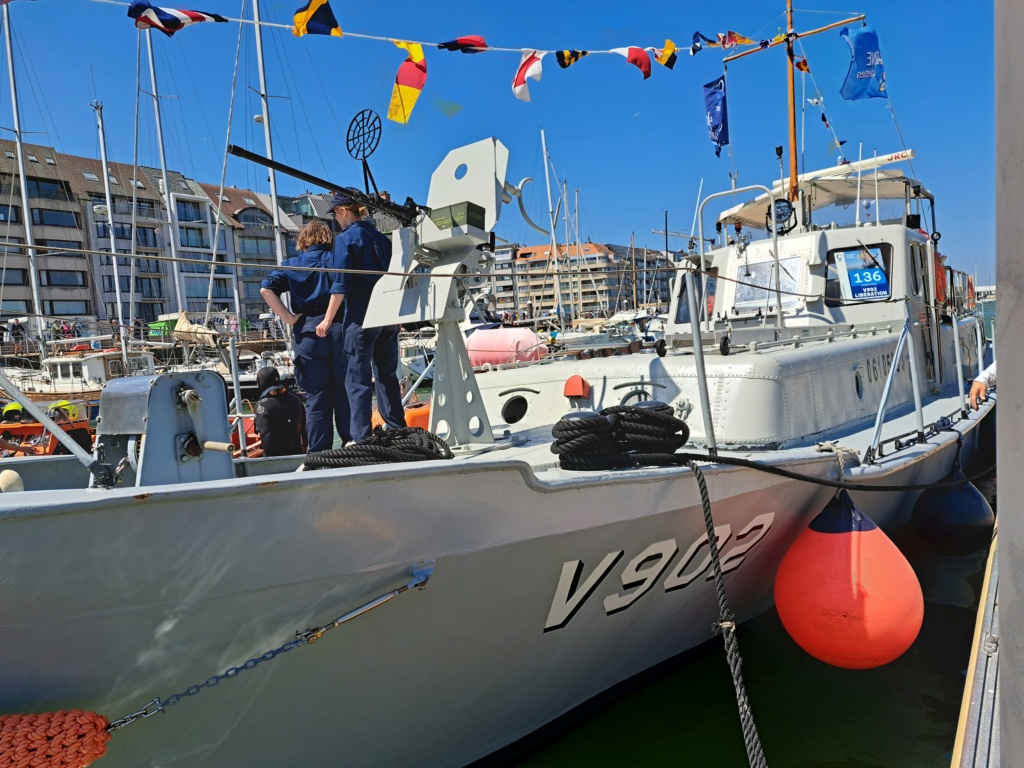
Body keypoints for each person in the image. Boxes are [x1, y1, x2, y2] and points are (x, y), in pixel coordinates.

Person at [319, 189, 406, 442]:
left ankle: (362, 438)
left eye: (336, 214)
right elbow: (395, 281)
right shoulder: (383, 239)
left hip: (360, 316)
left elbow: (340, 285)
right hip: (387, 315)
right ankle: (396, 428)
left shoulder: (346, 240)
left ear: (343, 211)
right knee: (387, 375)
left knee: (357, 379)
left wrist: (326, 319)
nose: (336, 220)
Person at [261, 218, 350, 452]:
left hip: (308, 332)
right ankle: (352, 445)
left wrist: (289, 318)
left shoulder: (292, 264)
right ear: (329, 239)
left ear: (303, 240)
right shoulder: (337, 260)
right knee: (344, 393)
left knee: (317, 397)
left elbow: (265, 289)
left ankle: (320, 453)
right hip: (339, 328)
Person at [252, 366, 307, 456]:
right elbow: (305, 428)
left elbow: (266, 434)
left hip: (275, 455)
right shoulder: (295, 400)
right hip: (296, 451)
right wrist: (304, 449)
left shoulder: (263, 404)